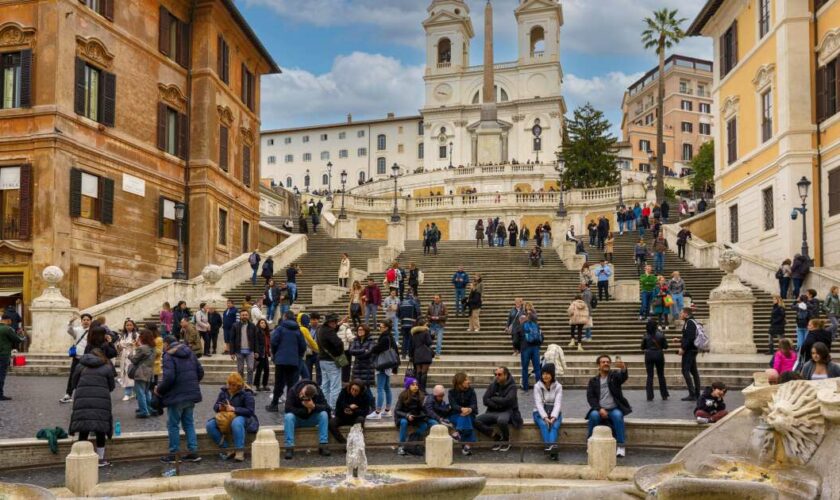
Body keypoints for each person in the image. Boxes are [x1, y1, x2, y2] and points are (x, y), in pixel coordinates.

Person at [156, 335, 204, 464]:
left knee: (173, 425)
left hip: (176, 396)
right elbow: (200, 372)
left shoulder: (168, 356)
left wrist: (159, 389)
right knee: (188, 423)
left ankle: (174, 454)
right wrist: (191, 384)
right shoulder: (190, 353)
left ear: (166, 344)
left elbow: (169, 378)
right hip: (190, 394)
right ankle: (193, 453)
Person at [69, 345, 116, 467]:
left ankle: (81, 456)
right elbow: (112, 386)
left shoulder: (80, 366)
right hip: (101, 401)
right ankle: (100, 459)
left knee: (83, 428)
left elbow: (74, 383)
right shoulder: (107, 367)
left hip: (82, 399)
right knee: (100, 430)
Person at [205, 372, 258, 462]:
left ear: (239, 385)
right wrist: (220, 407)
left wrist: (234, 409)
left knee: (236, 423)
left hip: (244, 417)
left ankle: (239, 451)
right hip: (226, 417)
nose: (230, 387)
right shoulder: (224, 392)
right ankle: (226, 449)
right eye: (229, 384)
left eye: (233, 385)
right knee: (210, 425)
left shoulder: (246, 393)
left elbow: (250, 411)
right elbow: (215, 406)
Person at [586, 355, 630, 457]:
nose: (606, 363)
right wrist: (599, 409)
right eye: (603, 362)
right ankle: (590, 443)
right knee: (593, 416)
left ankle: (621, 446)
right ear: (598, 365)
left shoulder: (614, 376)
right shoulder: (593, 381)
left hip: (614, 408)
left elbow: (623, 377)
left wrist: (623, 368)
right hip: (599, 409)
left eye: (608, 362)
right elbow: (590, 398)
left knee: (618, 416)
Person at [266, 311, 306, 412]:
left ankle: (274, 404)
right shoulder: (298, 330)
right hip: (294, 361)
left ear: (285, 317)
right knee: (291, 384)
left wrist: (275, 354)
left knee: (279, 383)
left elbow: (273, 342)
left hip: (280, 360)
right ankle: (289, 406)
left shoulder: (280, 328)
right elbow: (303, 346)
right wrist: (298, 356)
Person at [475, 366, 522, 452]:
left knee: (502, 421)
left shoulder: (512, 387)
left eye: (499, 374)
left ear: (506, 375)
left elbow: (507, 401)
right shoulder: (493, 385)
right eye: (495, 374)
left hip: (507, 411)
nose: (497, 376)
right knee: (476, 421)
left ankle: (506, 440)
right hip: (493, 411)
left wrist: (493, 398)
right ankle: (495, 436)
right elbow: (485, 400)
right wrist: (497, 405)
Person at [283, 380, 331, 459]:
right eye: (302, 394)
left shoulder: (318, 392)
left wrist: (314, 407)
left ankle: (323, 444)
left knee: (323, 414)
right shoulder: (293, 391)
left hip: (311, 419)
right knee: (288, 416)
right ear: (303, 388)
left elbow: (327, 408)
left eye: (306, 397)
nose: (302, 396)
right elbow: (287, 408)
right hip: (297, 419)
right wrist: (305, 411)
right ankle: (289, 447)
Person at [394, 377, 437, 456]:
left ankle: (412, 438)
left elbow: (423, 410)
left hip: (416, 416)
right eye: (413, 385)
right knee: (403, 422)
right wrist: (407, 415)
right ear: (408, 386)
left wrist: (421, 414)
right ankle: (401, 445)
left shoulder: (421, 395)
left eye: (416, 384)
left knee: (424, 425)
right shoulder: (403, 395)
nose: (415, 386)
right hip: (404, 416)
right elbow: (397, 410)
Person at [369, 319, 398, 420]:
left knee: (380, 388)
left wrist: (372, 348)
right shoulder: (390, 337)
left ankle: (377, 412)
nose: (379, 328)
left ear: (386, 327)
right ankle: (387, 410)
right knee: (386, 388)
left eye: (381, 326)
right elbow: (396, 351)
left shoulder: (385, 337)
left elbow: (377, 349)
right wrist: (395, 367)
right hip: (388, 364)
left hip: (382, 364)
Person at [533, 364, 563, 460]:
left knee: (554, 426)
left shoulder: (558, 386)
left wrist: (553, 417)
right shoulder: (537, 386)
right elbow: (538, 404)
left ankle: (550, 449)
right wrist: (545, 417)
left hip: (554, 411)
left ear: (552, 375)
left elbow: (558, 403)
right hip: (539, 412)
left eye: (548, 374)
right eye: (543, 374)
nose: (545, 376)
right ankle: (552, 449)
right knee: (543, 425)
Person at [316, 314, 345, 410]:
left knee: (325, 385)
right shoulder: (329, 331)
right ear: (330, 323)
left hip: (322, 360)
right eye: (334, 322)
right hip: (331, 361)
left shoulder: (320, 329)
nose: (336, 323)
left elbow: (332, 331)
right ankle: (333, 408)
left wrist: (340, 324)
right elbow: (339, 343)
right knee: (335, 386)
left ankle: (325, 406)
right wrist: (339, 354)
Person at [61, 313, 92, 404]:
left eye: (88, 320)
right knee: (73, 375)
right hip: (77, 357)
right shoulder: (77, 330)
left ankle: (85, 394)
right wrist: (70, 322)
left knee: (87, 376)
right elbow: (70, 331)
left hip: (88, 358)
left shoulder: (93, 331)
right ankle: (68, 394)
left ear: (90, 321)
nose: (86, 321)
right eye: (84, 320)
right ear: (81, 321)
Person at [448, 372, 478, 455]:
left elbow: (474, 404)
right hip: (455, 415)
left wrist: (469, 409)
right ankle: (467, 447)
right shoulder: (451, 392)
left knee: (466, 416)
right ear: (460, 382)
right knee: (466, 419)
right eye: (466, 380)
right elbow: (453, 405)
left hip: (470, 414)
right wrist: (462, 409)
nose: (469, 381)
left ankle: (457, 433)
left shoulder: (471, 390)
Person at [129, 330, 156, 418]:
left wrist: (130, 353)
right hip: (150, 371)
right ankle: (149, 408)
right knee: (146, 392)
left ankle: (144, 411)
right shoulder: (153, 348)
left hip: (141, 372)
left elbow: (134, 360)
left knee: (140, 392)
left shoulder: (142, 348)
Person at [641, 318, 669, 401]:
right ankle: (664, 395)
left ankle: (649, 396)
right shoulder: (660, 334)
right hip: (659, 355)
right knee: (661, 375)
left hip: (649, 355)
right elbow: (666, 346)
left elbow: (642, 347)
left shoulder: (645, 335)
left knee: (650, 376)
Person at [513, 315, 542, 391]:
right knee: (537, 369)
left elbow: (515, 341)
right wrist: (538, 346)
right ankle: (539, 387)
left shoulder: (519, 327)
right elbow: (542, 337)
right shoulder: (535, 325)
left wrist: (518, 349)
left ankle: (525, 387)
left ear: (520, 320)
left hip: (525, 349)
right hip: (535, 348)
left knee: (525, 369)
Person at [677, 309, 701, 401]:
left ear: (686, 314)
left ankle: (692, 394)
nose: (680, 314)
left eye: (681, 313)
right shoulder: (692, 321)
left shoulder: (689, 322)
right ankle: (697, 393)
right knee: (694, 371)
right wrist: (679, 340)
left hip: (689, 350)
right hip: (692, 349)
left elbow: (690, 338)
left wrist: (683, 348)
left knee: (685, 370)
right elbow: (689, 336)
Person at [229, 309, 258, 385]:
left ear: (248, 316)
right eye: (243, 315)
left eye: (246, 315)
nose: (244, 316)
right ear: (240, 316)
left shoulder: (252, 326)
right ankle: (241, 386)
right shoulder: (235, 325)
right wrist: (232, 352)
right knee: (240, 370)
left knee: (251, 369)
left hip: (250, 351)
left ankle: (249, 386)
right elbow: (231, 339)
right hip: (239, 351)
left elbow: (256, 339)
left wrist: (256, 351)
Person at [0, 314, 24, 401]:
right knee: (1, 375)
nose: (11, 322)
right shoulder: (7, 329)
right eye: (10, 320)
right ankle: (0, 394)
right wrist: (21, 335)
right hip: (3, 354)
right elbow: (18, 340)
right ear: (8, 320)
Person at [116, 319, 138, 401]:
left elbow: (137, 345)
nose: (129, 327)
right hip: (124, 355)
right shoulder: (122, 336)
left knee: (131, 372)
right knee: (125, 373)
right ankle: (128, 393)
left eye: (130, 325)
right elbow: (119, 346)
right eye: (127, 325)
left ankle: (130, 393)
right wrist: (120, 346)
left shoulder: (137, 335)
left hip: (133, 355)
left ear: (133, 326)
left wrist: (131, 345)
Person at [411, 319, 434, 391]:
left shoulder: (414, 333)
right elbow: (429, 342)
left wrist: (411, 355)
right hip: (425, 353)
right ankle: (423, 389)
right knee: (424, 372)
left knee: (418, 372)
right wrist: (432, 336)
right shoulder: (426, 332)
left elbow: (412, 345)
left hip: (417, 353)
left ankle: (417, 388)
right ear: (424, 325)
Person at [397, 289, 420, 358]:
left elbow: (397, 314)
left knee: (405, 338)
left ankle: (403, 354)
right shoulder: (414, 302)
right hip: (412, 323)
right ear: (412, 294)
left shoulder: (401, 302)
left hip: (404, 323)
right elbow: (418, 312)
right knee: (411, 339)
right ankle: (410, 354)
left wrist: (402, 318)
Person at [252, 319, 272, 392]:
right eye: (261, 323)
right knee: (259, 370)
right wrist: (256, 352)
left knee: (266, 369)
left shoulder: (266, 332)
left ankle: (264, 384)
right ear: (259, 324)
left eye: (264, 323)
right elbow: (256, 342)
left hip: (265, 353)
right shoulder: (258, 331)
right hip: (260, 353)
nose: (263, 324)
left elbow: (268, 343)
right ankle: (257, 385)